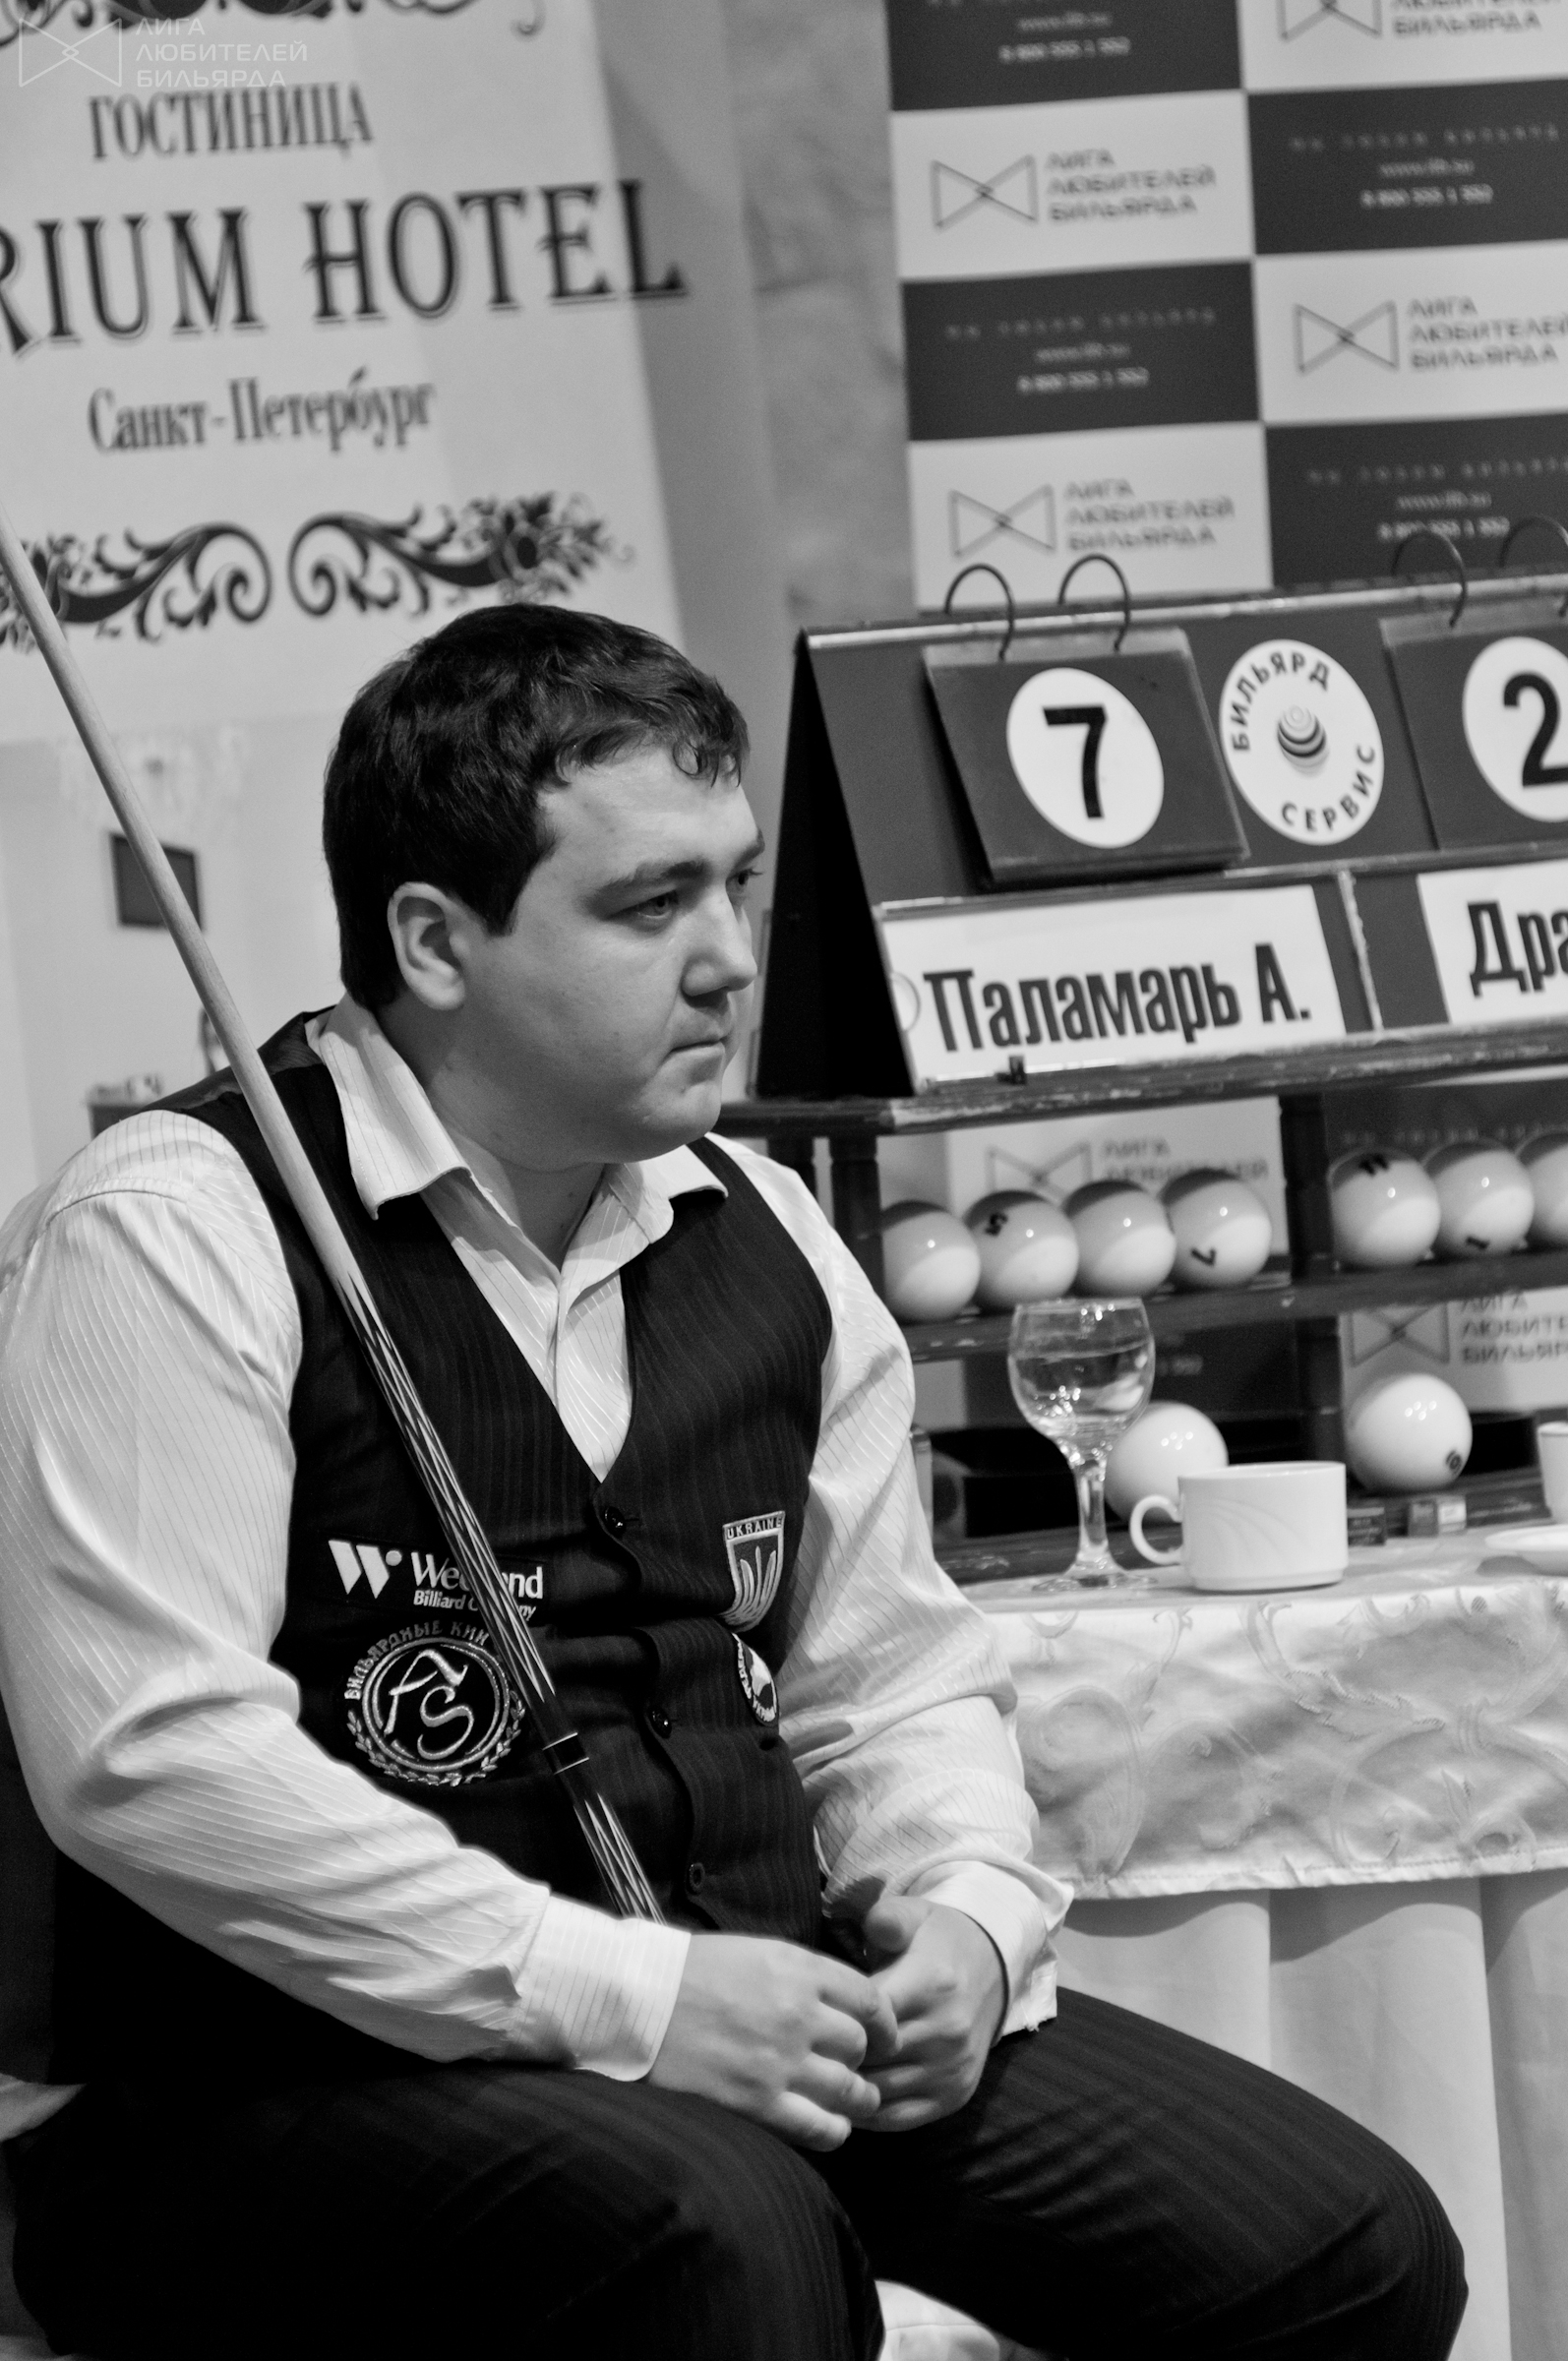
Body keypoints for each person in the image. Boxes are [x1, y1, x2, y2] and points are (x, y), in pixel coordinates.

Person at [0, 606, 1464, 2361]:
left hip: (759, 2013)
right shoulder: (179, 1224)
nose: (726, 960)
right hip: (266, 2086)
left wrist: (964, 1919)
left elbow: (888, 1680)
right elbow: (146, 1758)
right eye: (649, 905)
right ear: (435, 942)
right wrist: (633, 1995)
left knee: (1348, 2249)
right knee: (737, 2249)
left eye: (738, 886)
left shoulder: (763, 1226)